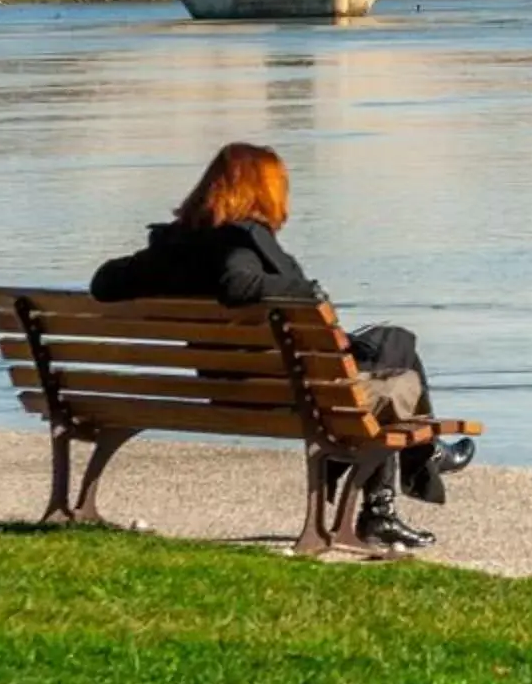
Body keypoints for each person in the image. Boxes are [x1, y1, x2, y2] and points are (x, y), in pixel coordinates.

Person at [91, 142, 468, 550]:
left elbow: (103, 282)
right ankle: (404, 480)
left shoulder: (175, 248)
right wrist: (305, 290)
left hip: (224, 388)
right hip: (290, 395)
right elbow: (237, 284)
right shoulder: (239, 244)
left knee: (389, 344)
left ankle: (410, 473)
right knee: (399, 358)